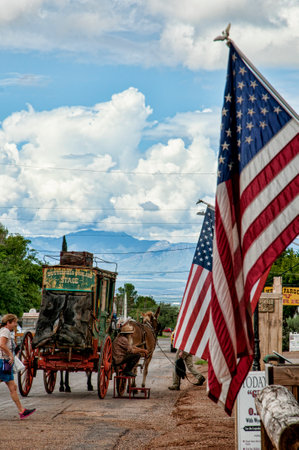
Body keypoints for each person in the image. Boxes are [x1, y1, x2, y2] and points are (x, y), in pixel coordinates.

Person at [0, 314, 36, 419]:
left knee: (13, 387)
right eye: (14, 322)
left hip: (4, 361)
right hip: (3, 361)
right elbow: (1, 344)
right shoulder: (5, 331)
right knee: (12, 387)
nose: (16, 324)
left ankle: (22, 410)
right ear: (8, 323)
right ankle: (22, 410)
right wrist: (10, 355)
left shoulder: (5, 331)